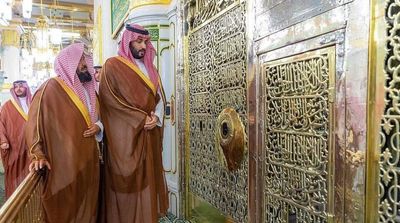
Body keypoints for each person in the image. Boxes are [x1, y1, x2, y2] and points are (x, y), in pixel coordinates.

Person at [98, 23, 168, 222]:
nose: (143, 46)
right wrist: (139, 119)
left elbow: (160, 99)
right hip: (125, 138)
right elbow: (110, 103)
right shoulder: (112, 66)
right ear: (128, 41)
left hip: (149, 133)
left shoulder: (151, 69)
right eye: (138, 41)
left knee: (147, 182)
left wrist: (156, 117)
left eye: (146, 42)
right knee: (127, 187)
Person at [25, 43, 102, 222]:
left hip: (89, 162)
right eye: (80, 59)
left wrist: (99, 126)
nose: (85, 63)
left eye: (85, 59)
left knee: (89, 208)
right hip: (63, 166)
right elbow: (34, 123)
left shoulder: (90, 89)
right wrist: (37, 155)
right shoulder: (50, 88)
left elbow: (101, 116)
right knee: (65, 210)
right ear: (68, 62)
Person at [0, 80, 31, 198]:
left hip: (32, 146)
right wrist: (3, 141)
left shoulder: (34, 103)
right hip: (15, 148)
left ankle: (31, 198)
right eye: (16, 86)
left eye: (21, 86)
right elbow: (1, 124)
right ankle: (15, 199)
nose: (18, 88)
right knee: (15, 174)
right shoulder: (7, 106)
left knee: (31, 172)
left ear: (26, 88)